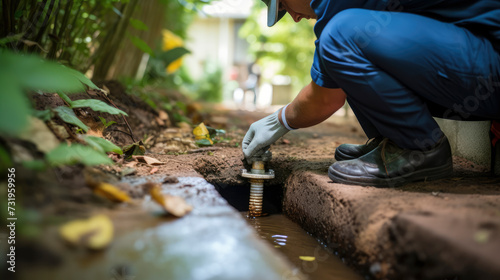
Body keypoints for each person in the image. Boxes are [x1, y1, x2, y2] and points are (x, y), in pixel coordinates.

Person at [242, 0, 500, 187]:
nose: (294, 17)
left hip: (492, 63)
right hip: (478, 61)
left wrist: (280, 120)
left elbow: (325, 99)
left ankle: (419, 148)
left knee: (340, 37)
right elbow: (333, 83)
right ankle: (395, 140)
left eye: (284, 7)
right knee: (342, 51)